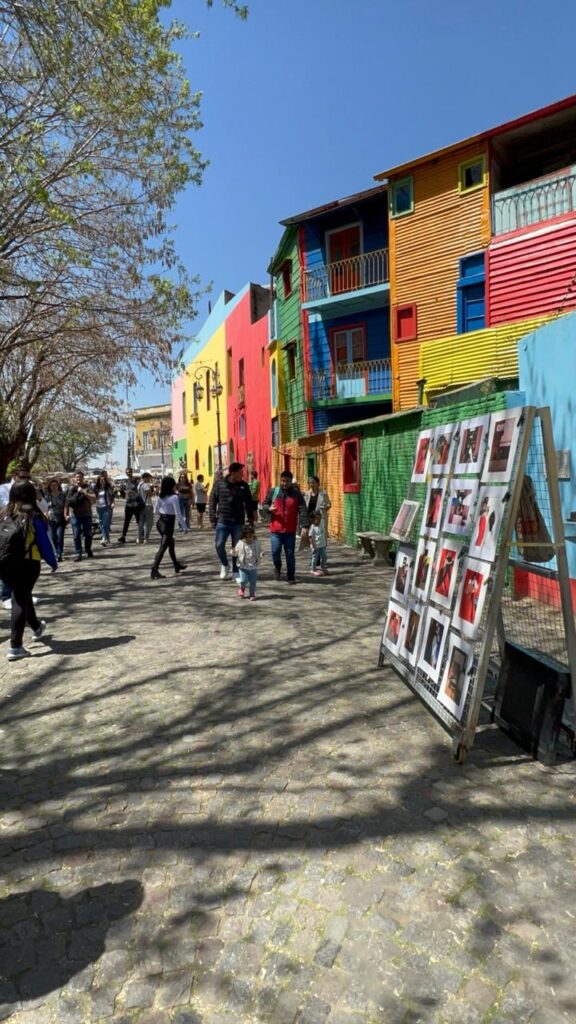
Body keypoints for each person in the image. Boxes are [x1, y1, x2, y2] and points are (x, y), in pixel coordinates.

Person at [0, 480, 57, 660]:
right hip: (27, 563)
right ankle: (15, 647)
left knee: (22, 594)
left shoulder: (4, 512)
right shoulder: (34, 515)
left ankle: (36, 627)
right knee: (19, 598)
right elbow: (43, 542)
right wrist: (53, 562)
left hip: (4, 563)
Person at [261, 470, 309, 584]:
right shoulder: (274, 492)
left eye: (287, 481)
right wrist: (268, 508)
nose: (284, 483)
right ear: (280, 480)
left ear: (290, 482)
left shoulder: (296, 494)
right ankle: (277, 567)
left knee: (290, 554)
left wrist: (305, 525)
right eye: (282, 481)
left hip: (290, 530)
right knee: (275, 552)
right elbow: (264, 504)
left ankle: (291, 576)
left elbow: (302, 509)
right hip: (275, 530)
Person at [209, 462, 254, 581]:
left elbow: (248, 503)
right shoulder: (220, 484)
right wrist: (212, 517)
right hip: (223, 520)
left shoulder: (243, 485)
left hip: (238, 521)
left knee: (236, 548)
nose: (242, 475)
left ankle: (235, 570)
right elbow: (212, 500)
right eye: (240, 473)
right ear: (233, 473)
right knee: (219, 545)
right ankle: (225, 564)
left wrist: (250, 519)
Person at [0, 462, 33, 609]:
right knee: (8, 559)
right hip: (7, 529)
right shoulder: (3, 488)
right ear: (15, 476)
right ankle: (6, 595)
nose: (26, 479)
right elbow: (5, 506)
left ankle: (22, 594)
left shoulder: (29, 488)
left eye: (28, 477)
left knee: (22, 563)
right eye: (23, 477)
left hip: (23, 529)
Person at [150, 476, 187, 580]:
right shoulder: (174, 497)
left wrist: (164, 510)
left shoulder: (160, 497)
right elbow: (178, 513)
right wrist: (184, 526)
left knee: (171, 544)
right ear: (171, 486)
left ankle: (176, 565)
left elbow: (155, 511)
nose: (176, 486)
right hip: (168, 524)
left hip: (161, 522)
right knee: (163, 547)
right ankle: (154, 569)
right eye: (174, 484)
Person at [65, 470, 95, 562]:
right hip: (75, 515)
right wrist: (66, 514)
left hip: (87, 515)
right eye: (77, 477)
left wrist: (83, 491)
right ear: (74, 478)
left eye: (80, 477)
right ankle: (78, 553)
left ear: (83, 478)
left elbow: (93, 498)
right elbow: (67, 503)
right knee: (76, 535)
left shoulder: (88, 487)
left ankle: (88, 549)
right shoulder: (71, 489)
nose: (78, 478)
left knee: (88, 535)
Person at [233, 524, 262, 601]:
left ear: (253, 535)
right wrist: (233, 552)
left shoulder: (256, 542)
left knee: (253, 582)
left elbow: (260, 550)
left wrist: (261, 553)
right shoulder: (240, 543)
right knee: (243, 580)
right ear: (243, 537)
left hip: (253, 567)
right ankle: (242, 588)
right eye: (247, 537)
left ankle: (252, 594)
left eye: (251, 537)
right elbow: (235, 553)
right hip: (243, 567)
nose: (249, 539)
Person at [117, 467, 142, 544]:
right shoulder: (126, 481)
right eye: (126, 472)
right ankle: (123, 536)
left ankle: (142, 536)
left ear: (132, 472)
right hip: (128, 504)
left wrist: (133, 492)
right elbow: (124, 492)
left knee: (139, 521)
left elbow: (139, 491)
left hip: (136, 504)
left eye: (129, 472)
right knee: (126, 521)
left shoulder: (136, 481)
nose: (128, 473)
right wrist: (124, 493)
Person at [45, 478, 67, 561]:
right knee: (53, 537)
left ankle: (59, 553)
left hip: (61, 519)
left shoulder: (63, 495)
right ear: (49, 487)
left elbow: (66, 506)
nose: (53, 487)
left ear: (58, 486)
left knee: (60, 536)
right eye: (52, 485)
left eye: (55, 485)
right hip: (50, 520)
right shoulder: (47, 496)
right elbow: (44, 507)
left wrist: (66, 515)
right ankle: (56, 551)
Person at [93, 470, 115, 546]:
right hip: (98, 507)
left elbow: (112, 496)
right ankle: (107, 538)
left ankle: (104, 538)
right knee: (101, 523)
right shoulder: (96, 488)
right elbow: (93, 497)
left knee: (105, 524)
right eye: (101, 480)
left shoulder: (108, 488)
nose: (102, 481)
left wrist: (113, 503)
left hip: (107, 507)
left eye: (103, 480)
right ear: (98, 481)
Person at [137, 472, 155, 544]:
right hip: (147, 505)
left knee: (141, 523)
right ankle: (146, 538)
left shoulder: (139, 485)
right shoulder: (145, 485)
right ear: (145, 478)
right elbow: (150, 495)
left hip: (141, 505)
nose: (150, 479)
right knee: (148, 523)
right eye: (149, 478)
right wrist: (156, 491)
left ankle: (139, 538)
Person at [309, 511, 328, 576]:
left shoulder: (321, 523)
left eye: (320, 519)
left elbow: (324, 516)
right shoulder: (312, 527)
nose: (319, 521)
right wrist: (313, 545)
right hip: (316, 546)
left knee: (324, 557)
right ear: (313, 520)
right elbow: (310, 537)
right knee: (315, 558)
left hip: (322, 545)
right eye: (317, 519)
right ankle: (313, 569)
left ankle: (323, 567)